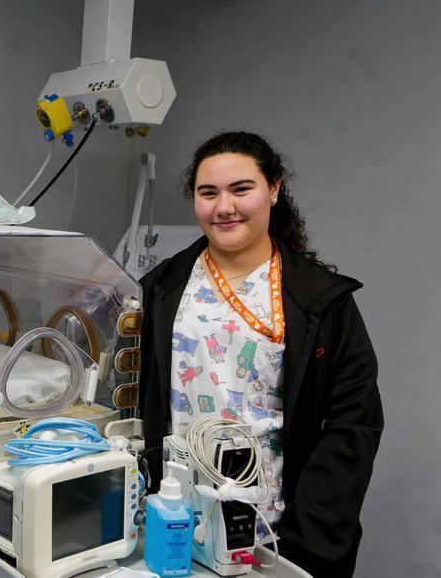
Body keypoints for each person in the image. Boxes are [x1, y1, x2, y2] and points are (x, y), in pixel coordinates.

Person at [137, 131, 383, 577]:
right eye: (208, 193)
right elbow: (137, 397)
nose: (224, 207)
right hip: (176, 518)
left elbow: (354, 424)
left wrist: (310, 537)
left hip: (277, 533)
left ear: (273, 188)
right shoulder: (161, 289)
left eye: (241, 189)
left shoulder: (321, 302)